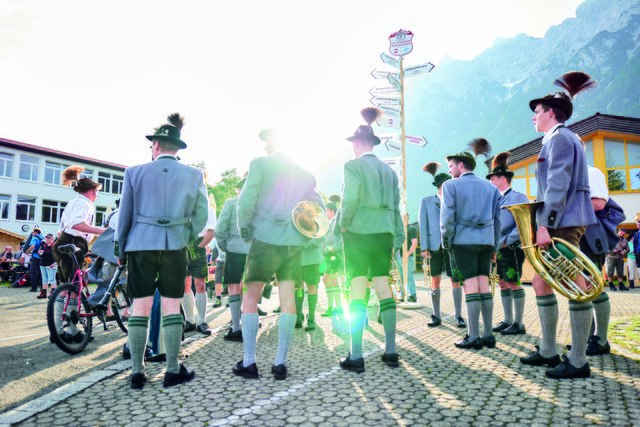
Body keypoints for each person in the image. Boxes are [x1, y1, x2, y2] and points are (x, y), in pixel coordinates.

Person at [118, 113, 208, 389]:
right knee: (171, 304)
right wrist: (185, 235)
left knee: (140, 306)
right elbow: (202, 216)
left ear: (156, 145)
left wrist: (122, 247)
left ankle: (136, 372)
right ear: (177, 148)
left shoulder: (134, 172)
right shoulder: (194, 175)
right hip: (175, 245)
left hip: (141, 244)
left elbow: (125, 215)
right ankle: (171, 369)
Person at [519, 71, 598, 379]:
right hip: (561, 219)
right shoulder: (560, 138)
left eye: (536, 112)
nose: (533, 118)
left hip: (562, 222)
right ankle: (549, 350)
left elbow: (557, 184)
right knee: (540, 281)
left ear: (550, 113)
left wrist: (545, 226)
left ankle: (578, 360)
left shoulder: (561, 138)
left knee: (575, 283)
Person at [234, 128, 323, 380]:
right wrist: (304, 237)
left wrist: (246, 232)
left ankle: (249, 361)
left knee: (251, 296)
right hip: (292, 244)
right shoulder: (306, 174)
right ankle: (280, 363)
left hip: (263, 238)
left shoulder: (260, 164)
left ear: (269, 145)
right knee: (288, 299)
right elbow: (318, 210)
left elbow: (246, 201)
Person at [338, 108, 404, 373]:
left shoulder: (352, 166)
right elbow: (396, 208)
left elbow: (350, 199)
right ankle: (390, 351)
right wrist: (396, 237)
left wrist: (343, 223)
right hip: (384, 233)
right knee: (383, 285)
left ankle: (356, 355)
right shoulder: (390, 172)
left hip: (358, 233)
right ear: (373, 144)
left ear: (356, 144)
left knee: (357, 288)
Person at [441, 138, 501, 350]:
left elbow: (447, 219)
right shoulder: (492, 188)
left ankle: (473, 336)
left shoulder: (450, 186)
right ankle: (489, 335)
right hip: (486, 241)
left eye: (450, 167)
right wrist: (494, 246)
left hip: (463, 241)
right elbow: (497, 219)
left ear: (460, 165)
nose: (449, 171)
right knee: (484, 285)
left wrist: (446, 240)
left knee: (470, 287)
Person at [578, 164, 624, 356]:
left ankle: (601, 339)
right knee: (580, 288)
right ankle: (587, 338)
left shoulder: (590, 171)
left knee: (592, 286)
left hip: (590, 236)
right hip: (574, 236)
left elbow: (598, 204)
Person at [486, 152, 529, 335]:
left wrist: (504, 242)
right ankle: (508, 320)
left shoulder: (518, 197)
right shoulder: (494, 199)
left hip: (511, 248)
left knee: (514, 283)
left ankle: (519, 323)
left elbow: (523, 225)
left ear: (502, 178)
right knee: (502, 283)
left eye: (493, 179)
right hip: (497, 249)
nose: (490, 182)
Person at [419, 163, 466, 328]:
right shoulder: (426, 202)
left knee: (455, 279)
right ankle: (436, 315)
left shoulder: (456, 202)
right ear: (441, 186)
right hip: (433, 246)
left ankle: (459, 316)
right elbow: (422, 226)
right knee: (435, 279)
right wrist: (424, 247)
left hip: (453, 246)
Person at [53, 166, 105, 283]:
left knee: (65, 284)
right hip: (73, 243)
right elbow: (77, 225)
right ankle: (71, 301)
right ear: (92, 190)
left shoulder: (73, 202)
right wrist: (102, 231)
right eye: (97, 191)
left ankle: (59, 301)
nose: (97, 195)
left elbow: (61, 229)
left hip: (62, 242)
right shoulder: (84, 204)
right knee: (75, 285)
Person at [214, 179, 251, 342]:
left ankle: (236, 328)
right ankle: (247, 323)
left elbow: (219, 229)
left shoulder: (231, 203)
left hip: (235, 249)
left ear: (239, 190)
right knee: (248, 287)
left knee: (234, 287)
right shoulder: (258, 205)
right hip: (254, 251)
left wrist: (224, 246)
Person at [182, 202, 216, 335]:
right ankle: (190, 321)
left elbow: (211, 230)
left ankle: (201, 321)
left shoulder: (208, 208)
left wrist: (201, 246)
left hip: (198, 244)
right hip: (182, 245)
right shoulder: (182, 203)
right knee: (185, 285)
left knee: (200, 284)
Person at [321, 201, 344, 317]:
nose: (325, 213)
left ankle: (337, 307)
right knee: (327, 279)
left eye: (326, 210)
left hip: (335, 255)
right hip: (330, 256)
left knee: (331, 279)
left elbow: (342, 237)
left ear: (331, 211)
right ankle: (333, 307)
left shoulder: (337, 220)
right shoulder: (330, 222)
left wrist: (333, 248)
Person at [395, 215, 418, 302]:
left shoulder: (411, 228)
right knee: (400, 277)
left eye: (405, 217)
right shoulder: (399, 230)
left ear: (408, 218)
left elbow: (414, 243)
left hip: (406, 256)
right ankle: (402, 296)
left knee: (408, 276)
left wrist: (407, 255)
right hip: (398, 256)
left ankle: (412, 295)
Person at [37, 234, 57, 299]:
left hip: (51, 264)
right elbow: (41, 255)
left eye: (49, 238)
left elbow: (58, 256)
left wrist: (55, 263)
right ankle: (43, 292)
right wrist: (40, 253)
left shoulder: (54, 246)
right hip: (43, 263)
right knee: (44, 279)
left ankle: (53, 293)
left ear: (52, 239)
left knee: (52, 279)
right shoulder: (43, 245)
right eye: (46, 238)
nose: (47, 239)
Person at [26, 226, 44, 293]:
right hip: (42, 257)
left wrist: (27, 252)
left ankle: (34, 288)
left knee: (34, 272)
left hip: (35, 257)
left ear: (36, 232)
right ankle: (42, 288)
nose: (32, 233)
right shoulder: (43, 238)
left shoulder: (34, 238)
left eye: (33, 232)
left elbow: (33, 246)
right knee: (41, 272)